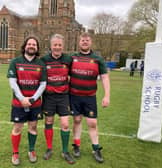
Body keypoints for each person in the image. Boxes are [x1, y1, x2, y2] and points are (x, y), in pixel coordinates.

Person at [70, 32, 110, 163]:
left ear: (90, 42)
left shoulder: (98, 59)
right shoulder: (72, 57)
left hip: (90, 97)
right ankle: (76, 145)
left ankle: (96, 148)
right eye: (82, 40)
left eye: (87, 40)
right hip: (74, 96)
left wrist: (107, 95)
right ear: (79, 42)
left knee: (92, 123)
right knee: (76, 120)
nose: (85, 42)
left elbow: (104, 77)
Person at [7, 36, 47, 166]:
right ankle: (15, 153)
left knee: (33, 127)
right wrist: (22, 98)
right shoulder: (15, 61)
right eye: (29, 44)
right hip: (19, 103)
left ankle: (31, 150)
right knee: (17, 127)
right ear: (25, 46)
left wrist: (33, 98)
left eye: (34, 45)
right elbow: (12, 82)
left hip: (35, 103)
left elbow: (43, 84)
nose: (31, 46)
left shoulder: (40, 64)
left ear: (37, 48)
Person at [41, 34, 75, 164]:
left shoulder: (68, 59)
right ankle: (49, 149)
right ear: (51, 46)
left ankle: (65, 151)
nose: (57, 47)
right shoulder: (44, 60)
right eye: (55, 45)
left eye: (59, 45)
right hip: (49, 97)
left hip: (63, 97)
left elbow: (74, 74)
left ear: (63, 46)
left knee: (65, 124)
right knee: (48, 121)